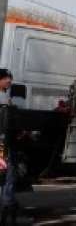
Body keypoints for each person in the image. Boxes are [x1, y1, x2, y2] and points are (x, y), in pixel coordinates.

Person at [0, 69, 16, 226]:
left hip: (4, 142)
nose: (9, 81)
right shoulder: (3, 98)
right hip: (1, 144)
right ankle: (6, 206)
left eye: (10, 78)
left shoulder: (5, 96)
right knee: (6, 174)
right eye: (6, 78)